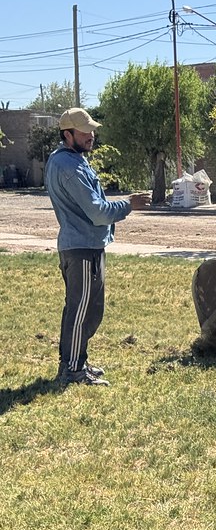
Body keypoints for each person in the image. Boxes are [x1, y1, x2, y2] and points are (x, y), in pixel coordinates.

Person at [45, 108, 151, 386]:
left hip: (87, 246)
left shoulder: (70, 159)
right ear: (67, 135)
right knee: (80, 312)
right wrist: (129, 204)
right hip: (81, 249)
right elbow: (97, 212)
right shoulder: (68, 166)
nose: (91, 135)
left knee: (89, 311)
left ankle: (78, 363)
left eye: (91, 130)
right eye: (84, 132)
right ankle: (72, 371)